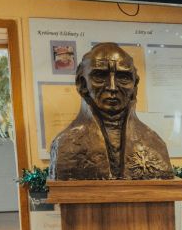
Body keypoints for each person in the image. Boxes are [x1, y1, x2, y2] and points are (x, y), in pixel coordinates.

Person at [49, 42, 172, 180]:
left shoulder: (155, 144)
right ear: (82, 84)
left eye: (123, 78)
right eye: (100, 76)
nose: (112, 87)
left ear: (135, 86)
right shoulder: (65, 144)